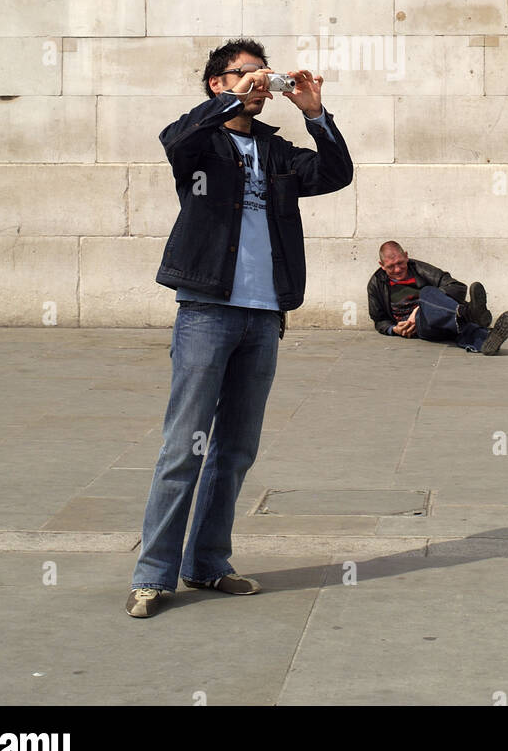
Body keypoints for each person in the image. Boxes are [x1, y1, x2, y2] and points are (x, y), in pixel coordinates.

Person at [127, 39, 354, 618]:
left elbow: (335, 173)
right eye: (243, 74)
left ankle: (206, 564)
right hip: (206, 308)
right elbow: (172, 138)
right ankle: (153, 573)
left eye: (263, 74)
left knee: (234, 449)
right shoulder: (199, 143)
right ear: (217, 84)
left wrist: (313, 113)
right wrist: (228, 105)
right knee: (184, 447)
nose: (258, 82)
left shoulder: (278, 153)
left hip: (263, 314)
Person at [367, 242, 508, 356]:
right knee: (434, 304)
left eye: (400, 263)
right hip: (420, 326)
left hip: (441, 317)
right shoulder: (375, 283)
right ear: (382, 265)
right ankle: (468, 313)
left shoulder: (419, 268)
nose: (398, 269)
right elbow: (379, 320)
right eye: (391, 266)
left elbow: (457, 286)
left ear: (406, 256)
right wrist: (395, 329)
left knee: (430, 297)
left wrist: (419, 306)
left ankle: (486, 341)